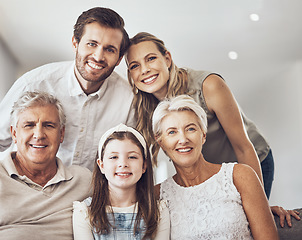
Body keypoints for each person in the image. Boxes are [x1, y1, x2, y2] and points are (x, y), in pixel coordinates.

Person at [0, 7, 135, 181]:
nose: (98, 56)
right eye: (92, 44)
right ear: (75, 43)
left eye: (110, 49)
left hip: (89, 199)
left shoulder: (128, 100)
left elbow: (133, 156)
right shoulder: (34, 83)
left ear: (119, 58)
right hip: (28, 188)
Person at [126, 32, 274, 198]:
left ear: (167, 59)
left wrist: (261, 205)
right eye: (134, 66)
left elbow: (243, 147)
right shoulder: (142, 107)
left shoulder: (209, 86)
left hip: (250, 161)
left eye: (151, 58)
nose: (144, 70)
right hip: (210, 174)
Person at [0, 91, 92, 240]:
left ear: (61, 134)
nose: (39, 135)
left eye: (48, 126)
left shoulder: (84, 179)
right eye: (29, 125)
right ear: (14, 134)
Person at [152, 94, 278, 239]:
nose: (183, 139)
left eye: (191, 129)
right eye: (172, 132)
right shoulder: (157, 196)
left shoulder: (241, 176)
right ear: (160, 142)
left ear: (203, 135)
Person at [73, 123, 170, 239]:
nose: (123, 164)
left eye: (132, 157)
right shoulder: (85, 212)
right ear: (101, 165)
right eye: (114, 157)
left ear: (144, 165)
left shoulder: (159, 211)